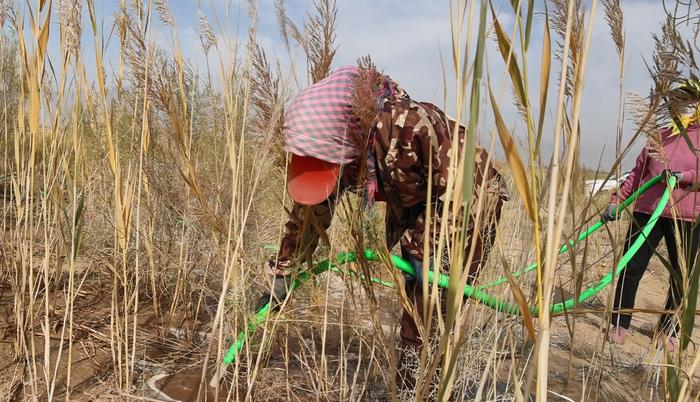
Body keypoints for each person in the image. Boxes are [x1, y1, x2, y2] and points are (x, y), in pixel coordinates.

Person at [264, 64, 508, 387]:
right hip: (423, 203)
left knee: (428, 317)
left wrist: (428, 248)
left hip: (471, 199)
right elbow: (310, 213)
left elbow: (459, 184)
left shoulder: (405, 126)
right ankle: (414, 385)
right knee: (418, 310)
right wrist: (282, 273)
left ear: (346, 143)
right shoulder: (337, 147)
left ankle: (425, 390)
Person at [603, 83, 700, 351]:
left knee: (681, 275)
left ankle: (669, 329)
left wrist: (686, 177)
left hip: (687, 216)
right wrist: (617, 200)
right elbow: (637, 174)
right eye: (678, 100)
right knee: (631, 267)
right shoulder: (659, 136)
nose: (683, 105)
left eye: (689, 100)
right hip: (647, 210)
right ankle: (620, 323)